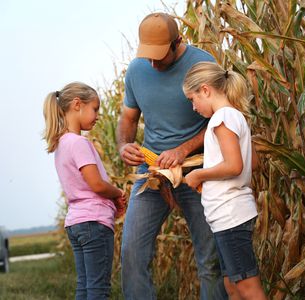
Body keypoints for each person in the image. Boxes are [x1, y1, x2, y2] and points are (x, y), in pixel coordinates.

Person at [117, 12, 227, 299]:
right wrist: (123, 146)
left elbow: (223, 118)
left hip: (197, 171)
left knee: (210, 259)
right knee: (132, 253)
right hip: (152, 173)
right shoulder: (137, 70)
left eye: (159, 56)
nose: (152, 63)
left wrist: (183, 149)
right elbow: (128, 119)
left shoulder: (202, 65)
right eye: (147, 56)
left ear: (178, 42)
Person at [183, 62, 267, 300]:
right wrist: (212, 183)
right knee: (232, 286)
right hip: (225, 217)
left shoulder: (221, 118)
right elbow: (252, 163)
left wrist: (199, 174)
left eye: (193, 98)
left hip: (231, 216)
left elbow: (234, 166)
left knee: (248, 288)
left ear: (206, 90)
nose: (193, 106)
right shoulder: (234, 116)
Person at [43, 82, 127, 300]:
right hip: (94, 222)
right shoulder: (79, 143)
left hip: (76, 223)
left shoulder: (60, 144)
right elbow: (96, 184)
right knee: (98, 289)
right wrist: (118, 193)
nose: (98, 115)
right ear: (77, 105)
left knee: (84, 287)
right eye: (95, 109)